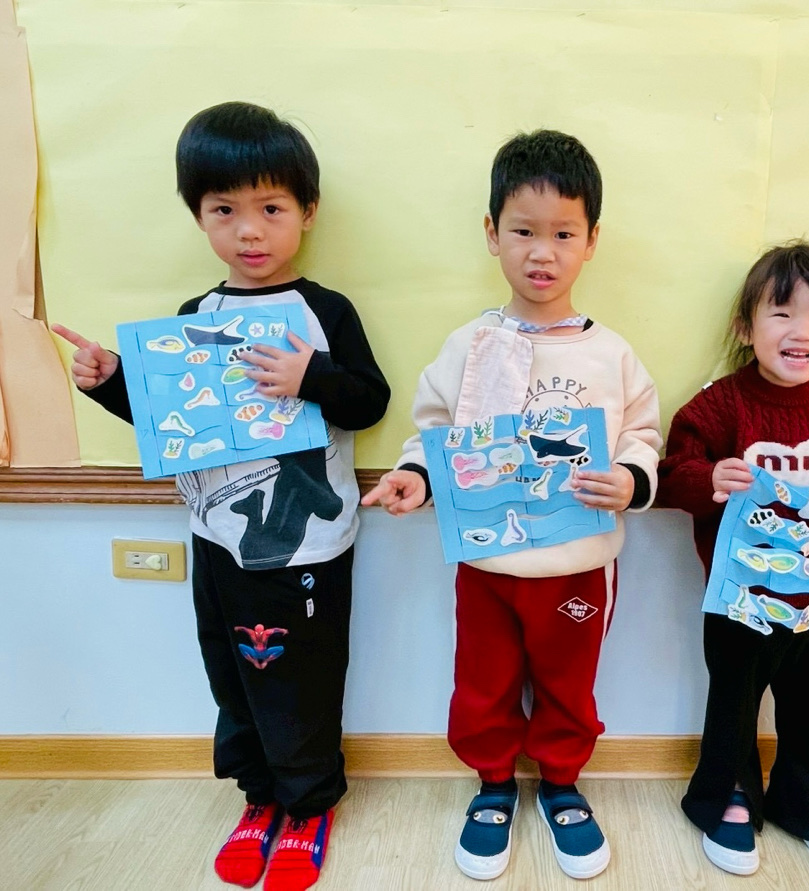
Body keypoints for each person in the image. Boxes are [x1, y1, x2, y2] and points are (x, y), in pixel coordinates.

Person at [52, 101, 390, 891]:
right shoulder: (194, 318)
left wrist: (310, 375)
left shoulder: (324, 311)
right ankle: (258, 795)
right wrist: (111, 383)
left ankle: (308, 805)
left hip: (309, 545)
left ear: (307, 212)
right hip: (217, 539)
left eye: (271, 209)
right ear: (198, 217)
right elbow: (172, 423)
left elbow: (369, 402)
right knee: (231, 672)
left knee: (303, 676)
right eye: (224, 210)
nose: (249, 231)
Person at [361, 130, 661, 881]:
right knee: (483, 679)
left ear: (592, 241)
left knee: (569, 683)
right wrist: (415, 476)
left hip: (579, 562)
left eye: (564, 234)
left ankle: (561, 783)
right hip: (487, 560)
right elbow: (434, 430)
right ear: (492, 233)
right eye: (524, 231)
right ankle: (493, 783)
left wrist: (631, 478)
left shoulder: (612, 354)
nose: (542, 252)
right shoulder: (469, 344)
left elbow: (644, 433)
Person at [658, 241, 809, 881]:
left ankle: (807, 794)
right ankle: (728, 792)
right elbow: (674, 474)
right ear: (746, 327)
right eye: (782, 313)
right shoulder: (718, 406)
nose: (802, 331)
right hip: (741, 597)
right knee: (734, 701)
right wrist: (709, 477)